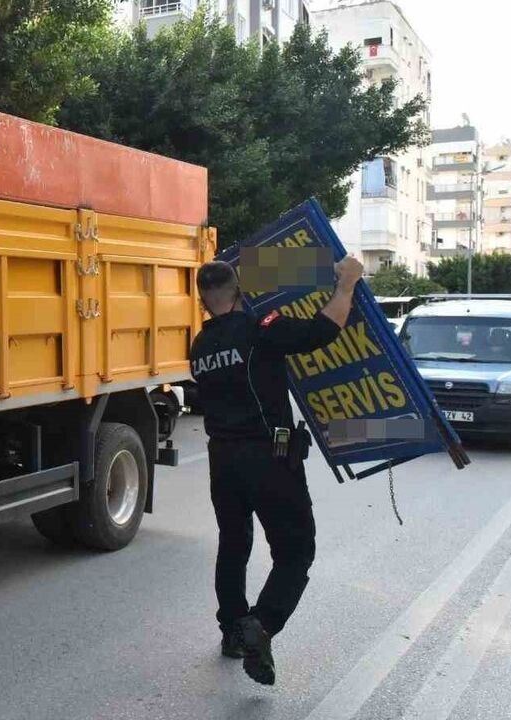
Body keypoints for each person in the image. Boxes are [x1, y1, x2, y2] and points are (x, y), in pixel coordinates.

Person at [189, 254, 363, 686]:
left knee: (233, 544)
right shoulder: (258, 330)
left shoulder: (200, 346)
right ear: (239, 291)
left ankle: (232, 630)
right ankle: (260, 625)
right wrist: (346, 285)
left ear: (201, 300)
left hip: (222, 461)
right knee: (295, 551)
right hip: (269, 456)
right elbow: (322, 331)